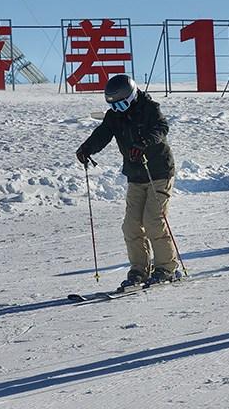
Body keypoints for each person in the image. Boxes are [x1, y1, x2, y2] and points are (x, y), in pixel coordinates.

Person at [76, 74, 180, 287]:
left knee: (153, 221)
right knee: (131, 226)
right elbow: (103, 133)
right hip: (135, 175)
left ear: (132, 97)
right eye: (113, 106)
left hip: (158, 172)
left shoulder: (150, 108)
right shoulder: (114, 116)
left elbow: (161, 128)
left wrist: (144, 143)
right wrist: (87, 148)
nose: (118, 110)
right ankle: (139, 270)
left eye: (122, 104)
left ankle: (166, 268)